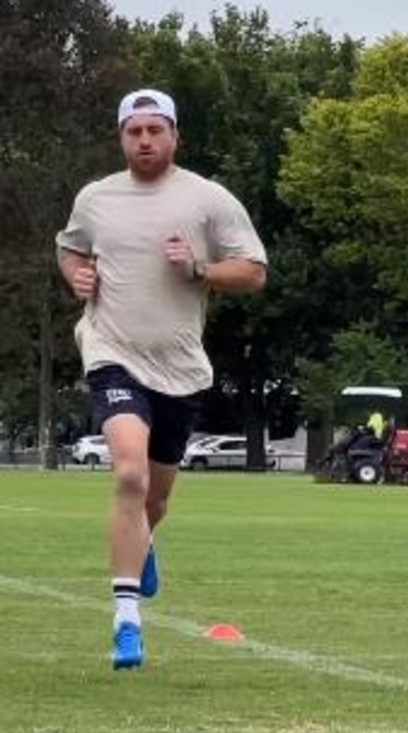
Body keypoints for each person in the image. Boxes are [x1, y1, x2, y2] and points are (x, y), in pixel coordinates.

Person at [56, 88, 268, 670]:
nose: (144, 140)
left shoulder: (208, 199)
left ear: (174, 134)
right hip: (111, 352)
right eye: (134, 131)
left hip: (178, 367)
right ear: (121, 136)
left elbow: (252, 271)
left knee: (156, 497)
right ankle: (127, 621)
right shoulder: (96, 198)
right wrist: (78, 276)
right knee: (127, 471)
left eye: (155, 130)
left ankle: (143, 540)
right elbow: (69, 249)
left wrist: (198, 267)